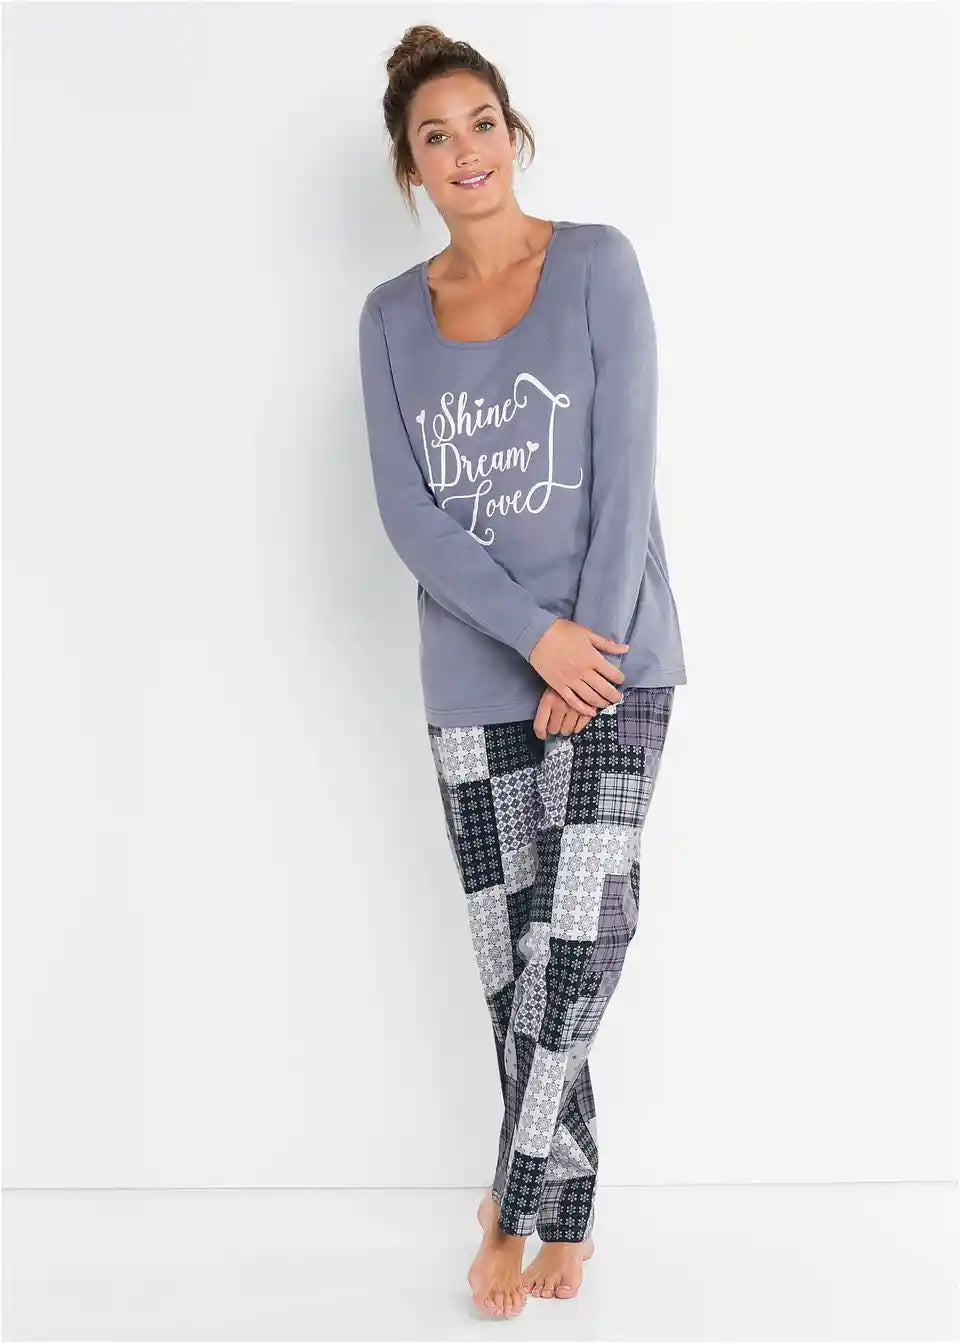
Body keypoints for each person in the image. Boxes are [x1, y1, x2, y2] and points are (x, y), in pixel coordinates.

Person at [357, 24, 687, 1320]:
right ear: (411, 168)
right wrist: (528, 638)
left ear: (514, 133)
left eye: (480, 123)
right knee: (515, 961)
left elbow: (626, 469)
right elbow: (411, 516)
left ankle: (510, 1204)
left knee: (582, 934)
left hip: (617, 652)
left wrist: (583, 647)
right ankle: (575, 1209)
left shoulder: (597, 264)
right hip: (474, 674)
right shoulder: (392, 318)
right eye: (434, 136)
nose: (465, 151)